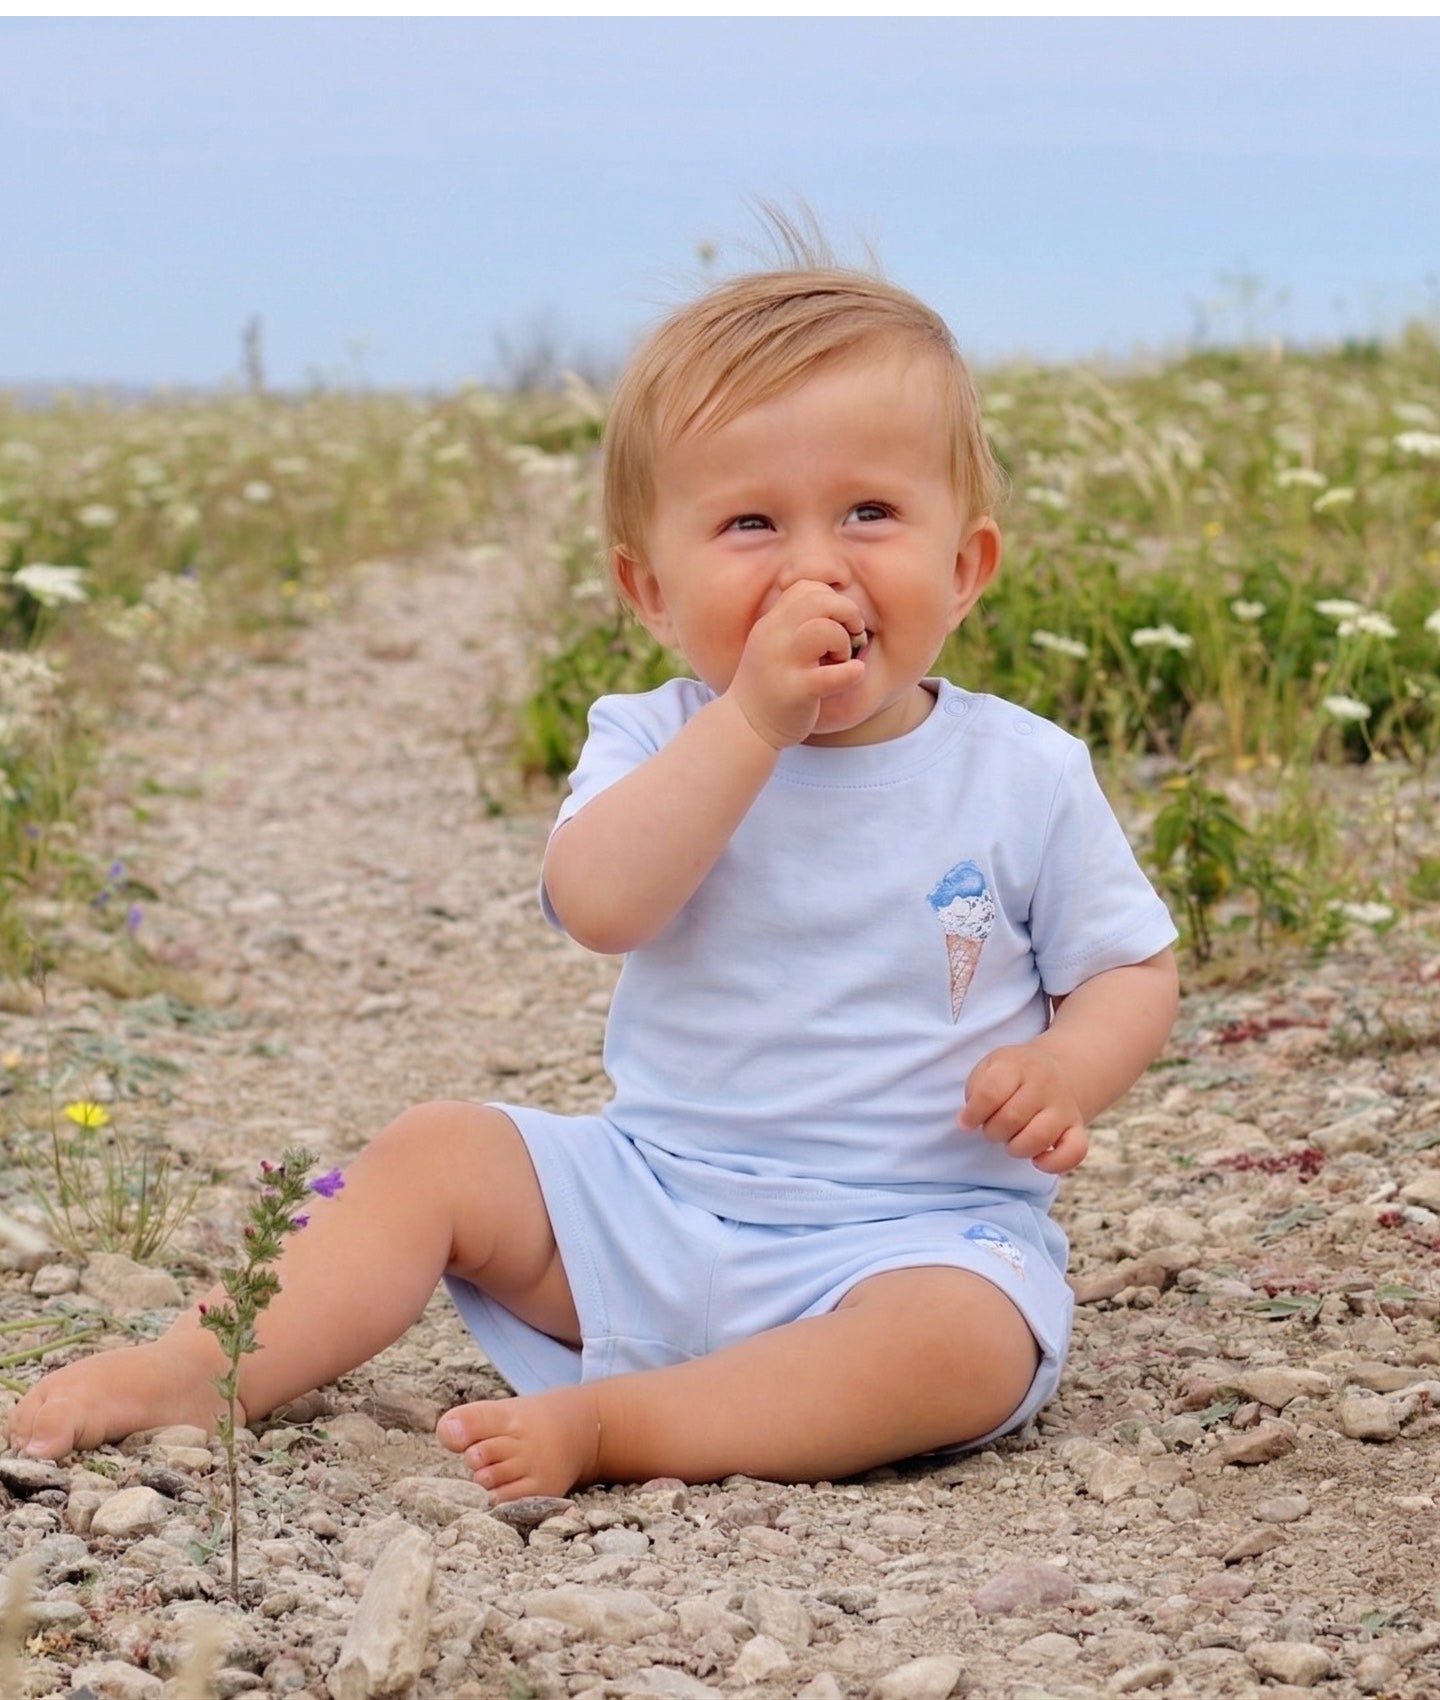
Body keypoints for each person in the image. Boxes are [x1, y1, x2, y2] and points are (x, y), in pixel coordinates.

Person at [6, 260, 1179, 1500]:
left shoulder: (1026, 771)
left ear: (965, 565)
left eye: (871, 514)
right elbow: (603, 902)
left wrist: (1064, 1068)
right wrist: (751, 724)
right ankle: (209, 1358)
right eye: (749, 525)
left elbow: (1129, 966)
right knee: (438, 1150)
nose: (812, 567)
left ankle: (627, 1422)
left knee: (966, 1342)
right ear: (649, 590)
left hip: (907, 1237)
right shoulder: (656, 734)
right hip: (649, 1203)